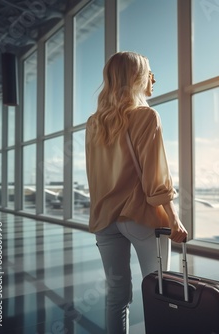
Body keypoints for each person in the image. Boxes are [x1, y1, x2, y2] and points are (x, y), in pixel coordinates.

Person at [85, 51, 187, 334]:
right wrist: (174, 219)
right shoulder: (146, 116)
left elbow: (95, 177)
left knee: (116, 298)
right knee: (160, 295)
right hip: (141, 218)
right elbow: (156, 176)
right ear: (136, 77)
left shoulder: (94, 123)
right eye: (149, 71)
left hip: (105, 221)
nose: (154, 77)